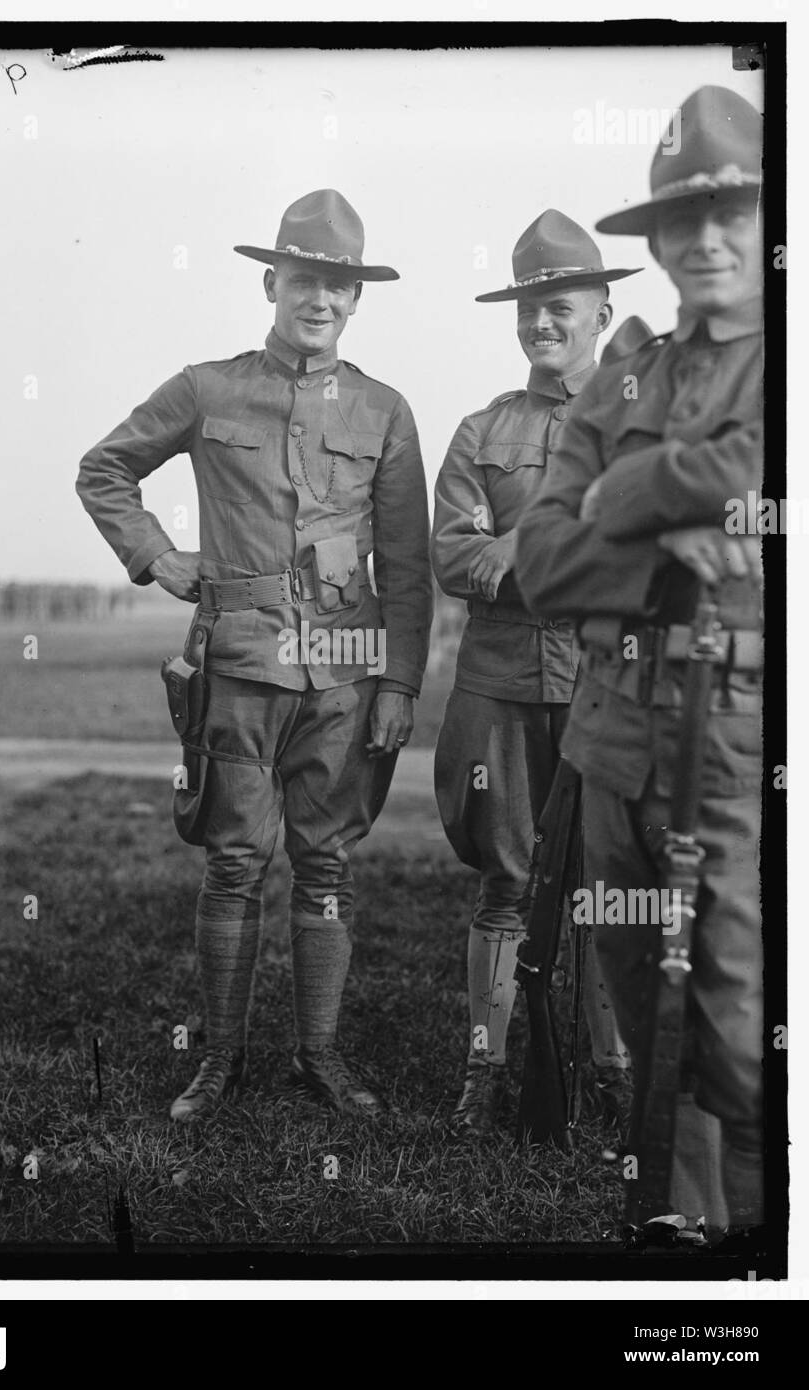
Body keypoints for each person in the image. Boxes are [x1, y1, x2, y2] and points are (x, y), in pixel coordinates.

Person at [77, 189, 433, 1122]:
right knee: (235, 863)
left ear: (357, 301)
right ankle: (220, 1063)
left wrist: (400, 680)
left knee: (326, 867)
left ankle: (319, 1058)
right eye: (305, 279)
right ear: (273, 283)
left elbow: (406, 562)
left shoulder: (386, 411)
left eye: (340, 286)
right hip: (238, 660)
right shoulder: (206, 386)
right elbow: (104, 467)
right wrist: (156, 556)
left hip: (347, 672)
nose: (321, 299)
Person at [515, 87, 764, 1236]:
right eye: (683, 220)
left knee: (738, 1000)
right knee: (642, 981)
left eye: (734, 211)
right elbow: (543, 563)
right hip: (615, 729)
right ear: (654, 243)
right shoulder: (623, 379)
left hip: (751, 735)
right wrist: (668, 540)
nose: (706, 239)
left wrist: (636, 489)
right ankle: (689, 1227)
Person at [431, 210, 636, 1135]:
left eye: (560, 307)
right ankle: (484, 1069)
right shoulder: (483, 431)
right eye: (528, 313)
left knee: (604, 879)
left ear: (600, 309)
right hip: (503, 687)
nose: (542, 326)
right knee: (504, 880)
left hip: (608, 685)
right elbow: (452, 557)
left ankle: (611, 1067)